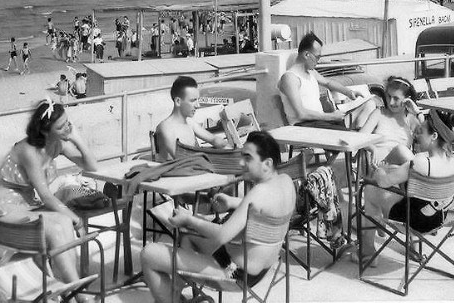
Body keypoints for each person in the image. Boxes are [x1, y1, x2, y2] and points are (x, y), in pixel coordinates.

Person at [140, 130, 296, 303]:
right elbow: (264, 208)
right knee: (188, 237)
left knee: (149, 254)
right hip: (263, 270)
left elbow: (223, 235)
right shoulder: (286, 182)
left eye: (248, 157)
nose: (241, 162)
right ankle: (177, 290)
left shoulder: (258, 192)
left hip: (235, 274)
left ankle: (173, 295)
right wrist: (232, 202)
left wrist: (190, 218)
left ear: (267, 163)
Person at [0, 100, 98, 303]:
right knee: (58, 225)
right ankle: (79, 295)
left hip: (27, 205)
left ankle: (69, 287)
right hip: (5, 206)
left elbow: (91, 165)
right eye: (61, 126)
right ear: (45, 131)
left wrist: (78, 138)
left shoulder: (58, 144)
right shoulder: (29, 151)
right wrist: (77, 220)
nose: (67, 128)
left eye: (68, 123)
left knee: (62, 222)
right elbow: (46, 196)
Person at [357, 113, 454, 265]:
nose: (417, 134)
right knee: (401, 155)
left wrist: (380, 170)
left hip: (417, 221)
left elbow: (383, 181)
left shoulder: (420, 162)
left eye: (421, 131)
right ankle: (412, 246)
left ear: (434, 136)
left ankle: (367, 254)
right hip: (440, 216)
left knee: (369, 190)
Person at [277, 32, 376, 129]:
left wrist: (349, 92)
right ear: (306, 54)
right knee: (349, 138)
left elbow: (328, 82)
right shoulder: (290, 78)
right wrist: (331, 116)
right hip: (305, 126)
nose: (318, 61)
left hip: (320, 122)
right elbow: (301, 114)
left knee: (370, 106)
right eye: (317, 57)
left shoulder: (311, 72)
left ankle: (362, 135)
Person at [155, 76, 227, 161]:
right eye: (193, 100)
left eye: (197, 100)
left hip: (193, 167)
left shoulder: (190, 123)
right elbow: (181, 158)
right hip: (177, 171)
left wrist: (225, 144)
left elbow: (213, 139)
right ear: (178, 101)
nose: (197, 105)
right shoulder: (166, 128)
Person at [358, 76, 422, 165]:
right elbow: (360, 137)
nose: (391, 102)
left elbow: (430, 139)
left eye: (396, 98)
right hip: (380, 166)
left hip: (402, 167)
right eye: (388, 96)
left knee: (404, 151)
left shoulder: (410, 118)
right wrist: (372, 148)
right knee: (402, 150)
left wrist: (417, 112)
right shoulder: (379, 113)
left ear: (407, 99)